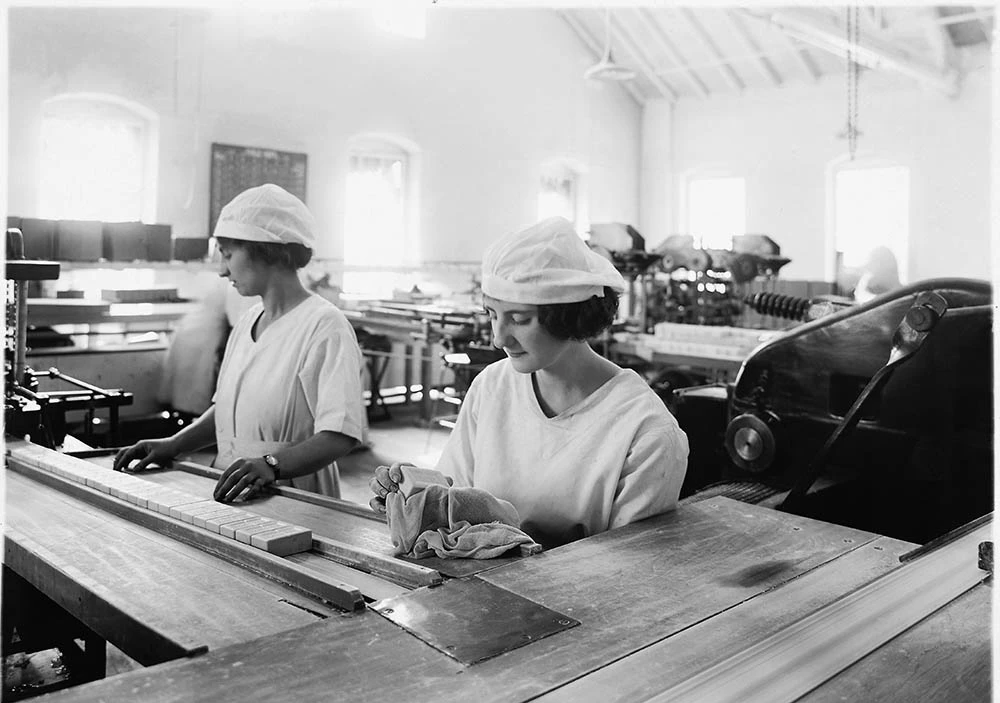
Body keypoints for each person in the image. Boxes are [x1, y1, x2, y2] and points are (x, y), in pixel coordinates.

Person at [369, 216, 689, 548]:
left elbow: (625, 574)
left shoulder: (647, 433)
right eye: (492, 314)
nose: (498, 338)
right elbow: (453, 494)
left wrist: (510, 530)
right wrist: (415, 497)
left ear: (568, 316)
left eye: (519, 319)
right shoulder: (492, 386)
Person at [115, 183, 366, 502]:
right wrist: (174, 444)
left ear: (266, 250)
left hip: (294, 495)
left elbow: (339, 435)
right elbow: (226, 411)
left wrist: (271, 465)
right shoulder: (249, 320)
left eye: (229, 254)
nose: (222, 270)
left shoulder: (324, 326)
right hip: (234, 486)